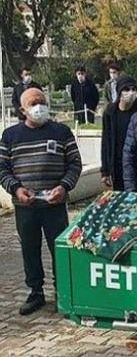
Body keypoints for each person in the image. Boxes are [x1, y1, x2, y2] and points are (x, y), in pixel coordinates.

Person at [0, 88, 82, 315]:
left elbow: (75, 164)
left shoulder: (62, 131)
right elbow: (3, 168)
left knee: (59, 249)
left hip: (54, 205)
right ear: (22, 109)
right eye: (34, 103)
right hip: (25, 206)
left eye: (42, 102)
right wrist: (16, 189)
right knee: (30, 249)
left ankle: (63, 293)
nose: (39, 107)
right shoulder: (10, 136)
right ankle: (35, 292)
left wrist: (63, 186)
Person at [100, 75, 137, 191]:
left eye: (133, 89)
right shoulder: (110, 112)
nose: (131, 93)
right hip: (117, 164)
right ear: (119, 91)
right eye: (126, 89)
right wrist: (105, 171)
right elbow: (106, 142)